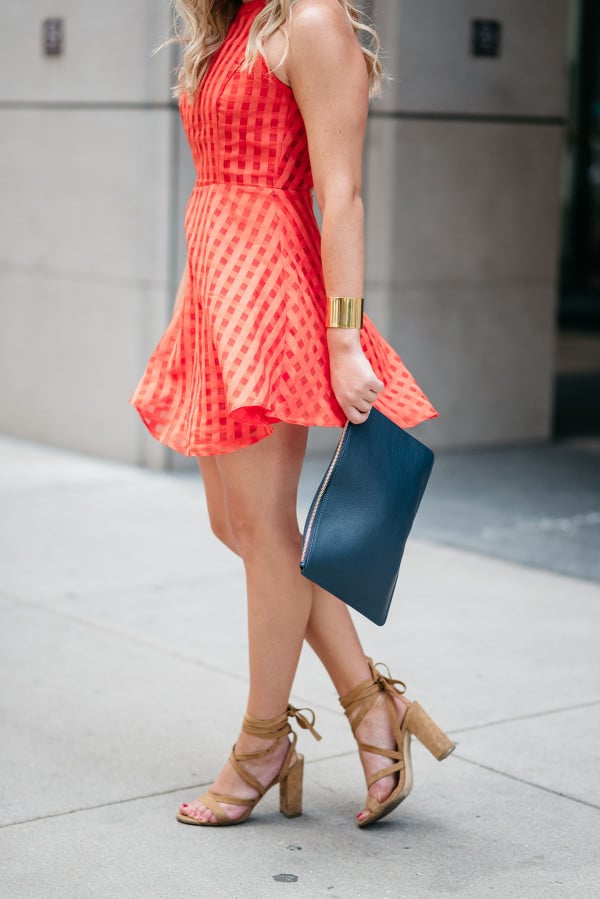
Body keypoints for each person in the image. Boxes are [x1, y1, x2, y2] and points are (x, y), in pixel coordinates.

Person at [130, 0, 454, 829]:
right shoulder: (232, 24)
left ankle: (263, 741)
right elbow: (213, 187)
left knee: (264, 528)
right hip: (215, 288)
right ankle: (372, 702)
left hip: (269, 290)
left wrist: (345, 338)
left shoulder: (310, 21)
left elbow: (341, 193)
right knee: (236, 524)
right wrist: (189, 314)